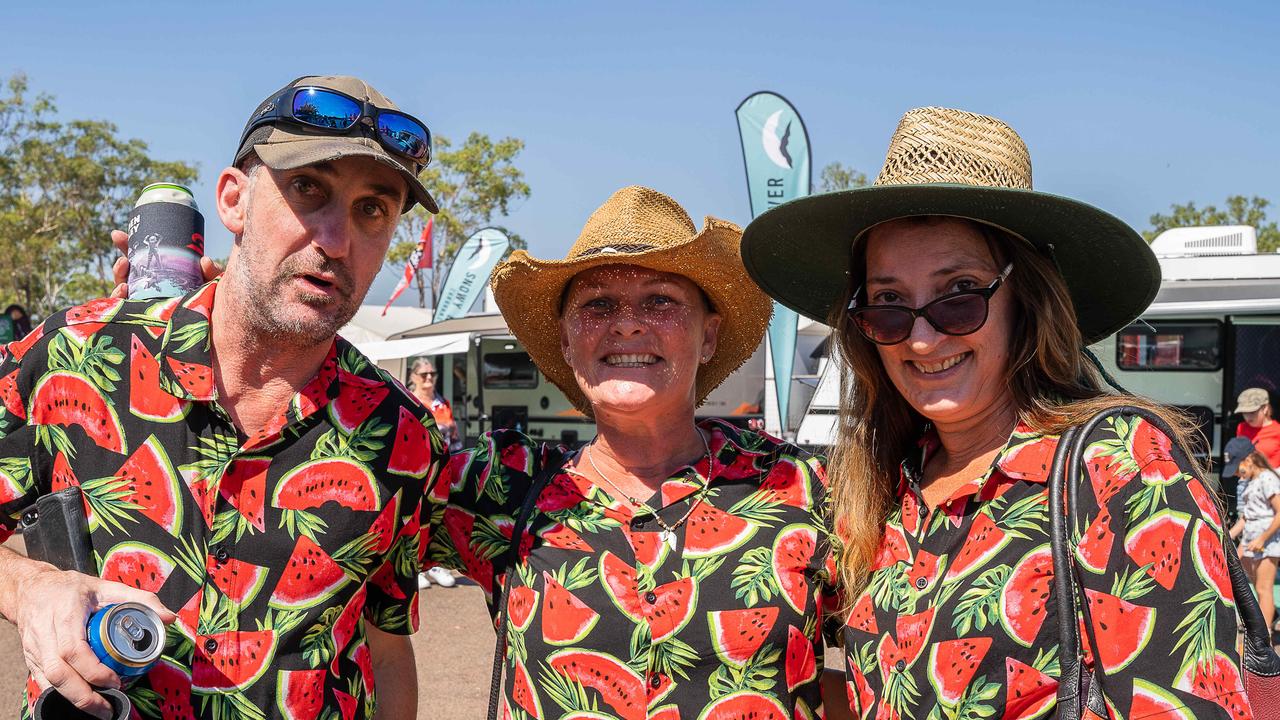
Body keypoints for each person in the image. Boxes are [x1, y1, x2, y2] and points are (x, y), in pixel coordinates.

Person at [742, 107, 1250, 718]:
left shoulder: (1118, 467)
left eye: (959, 294)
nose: (923, 339)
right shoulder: (882, 493)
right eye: (889, 304)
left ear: (1025, 300)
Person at [0, 75, 442, 720]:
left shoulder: (402, 435)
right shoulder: (75, 356)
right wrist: (29, 585)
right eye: (307, 189)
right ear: (233, 202)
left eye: (372, 209)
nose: (336, 239)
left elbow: (387, 647)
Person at [427, 186, 850, 719]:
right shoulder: (499, 488)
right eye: (597, 304)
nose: (626, 322)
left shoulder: (799, 486)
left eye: (660, 301)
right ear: (564, 339)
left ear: (710, 336)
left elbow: (889, 665)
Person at [408, 357, 459, 589]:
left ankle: (435, 565)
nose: (429, 378)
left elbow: (453, 436)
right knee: (417, 518)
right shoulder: (409, 400)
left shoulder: (442, 403)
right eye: (424, 375)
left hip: (444, 471)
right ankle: (413, 567)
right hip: (418, 471)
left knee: (441, 518)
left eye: (433, 374)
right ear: (413, 377)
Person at [1227, 440, 1280, 635]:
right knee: (1248, 581)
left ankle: (1263, 634)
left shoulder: (1267, 478)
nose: (1236, 473)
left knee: (1263, 587)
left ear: (1249, 459)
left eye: (1238, 467)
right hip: (1252, 537)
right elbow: (1246, 517)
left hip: (1267, 540)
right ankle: (1257, 624)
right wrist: (1227, 537)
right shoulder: (1250, 481)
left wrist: (1263, 538)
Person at [1235, 387, 1280, 468]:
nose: (1247, 416)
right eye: (1244, 412)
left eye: (1252, 412)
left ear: (1265, 408)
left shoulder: (1277, 430)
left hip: (1273, 478)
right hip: (1246, 478)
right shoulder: (1241, 427)